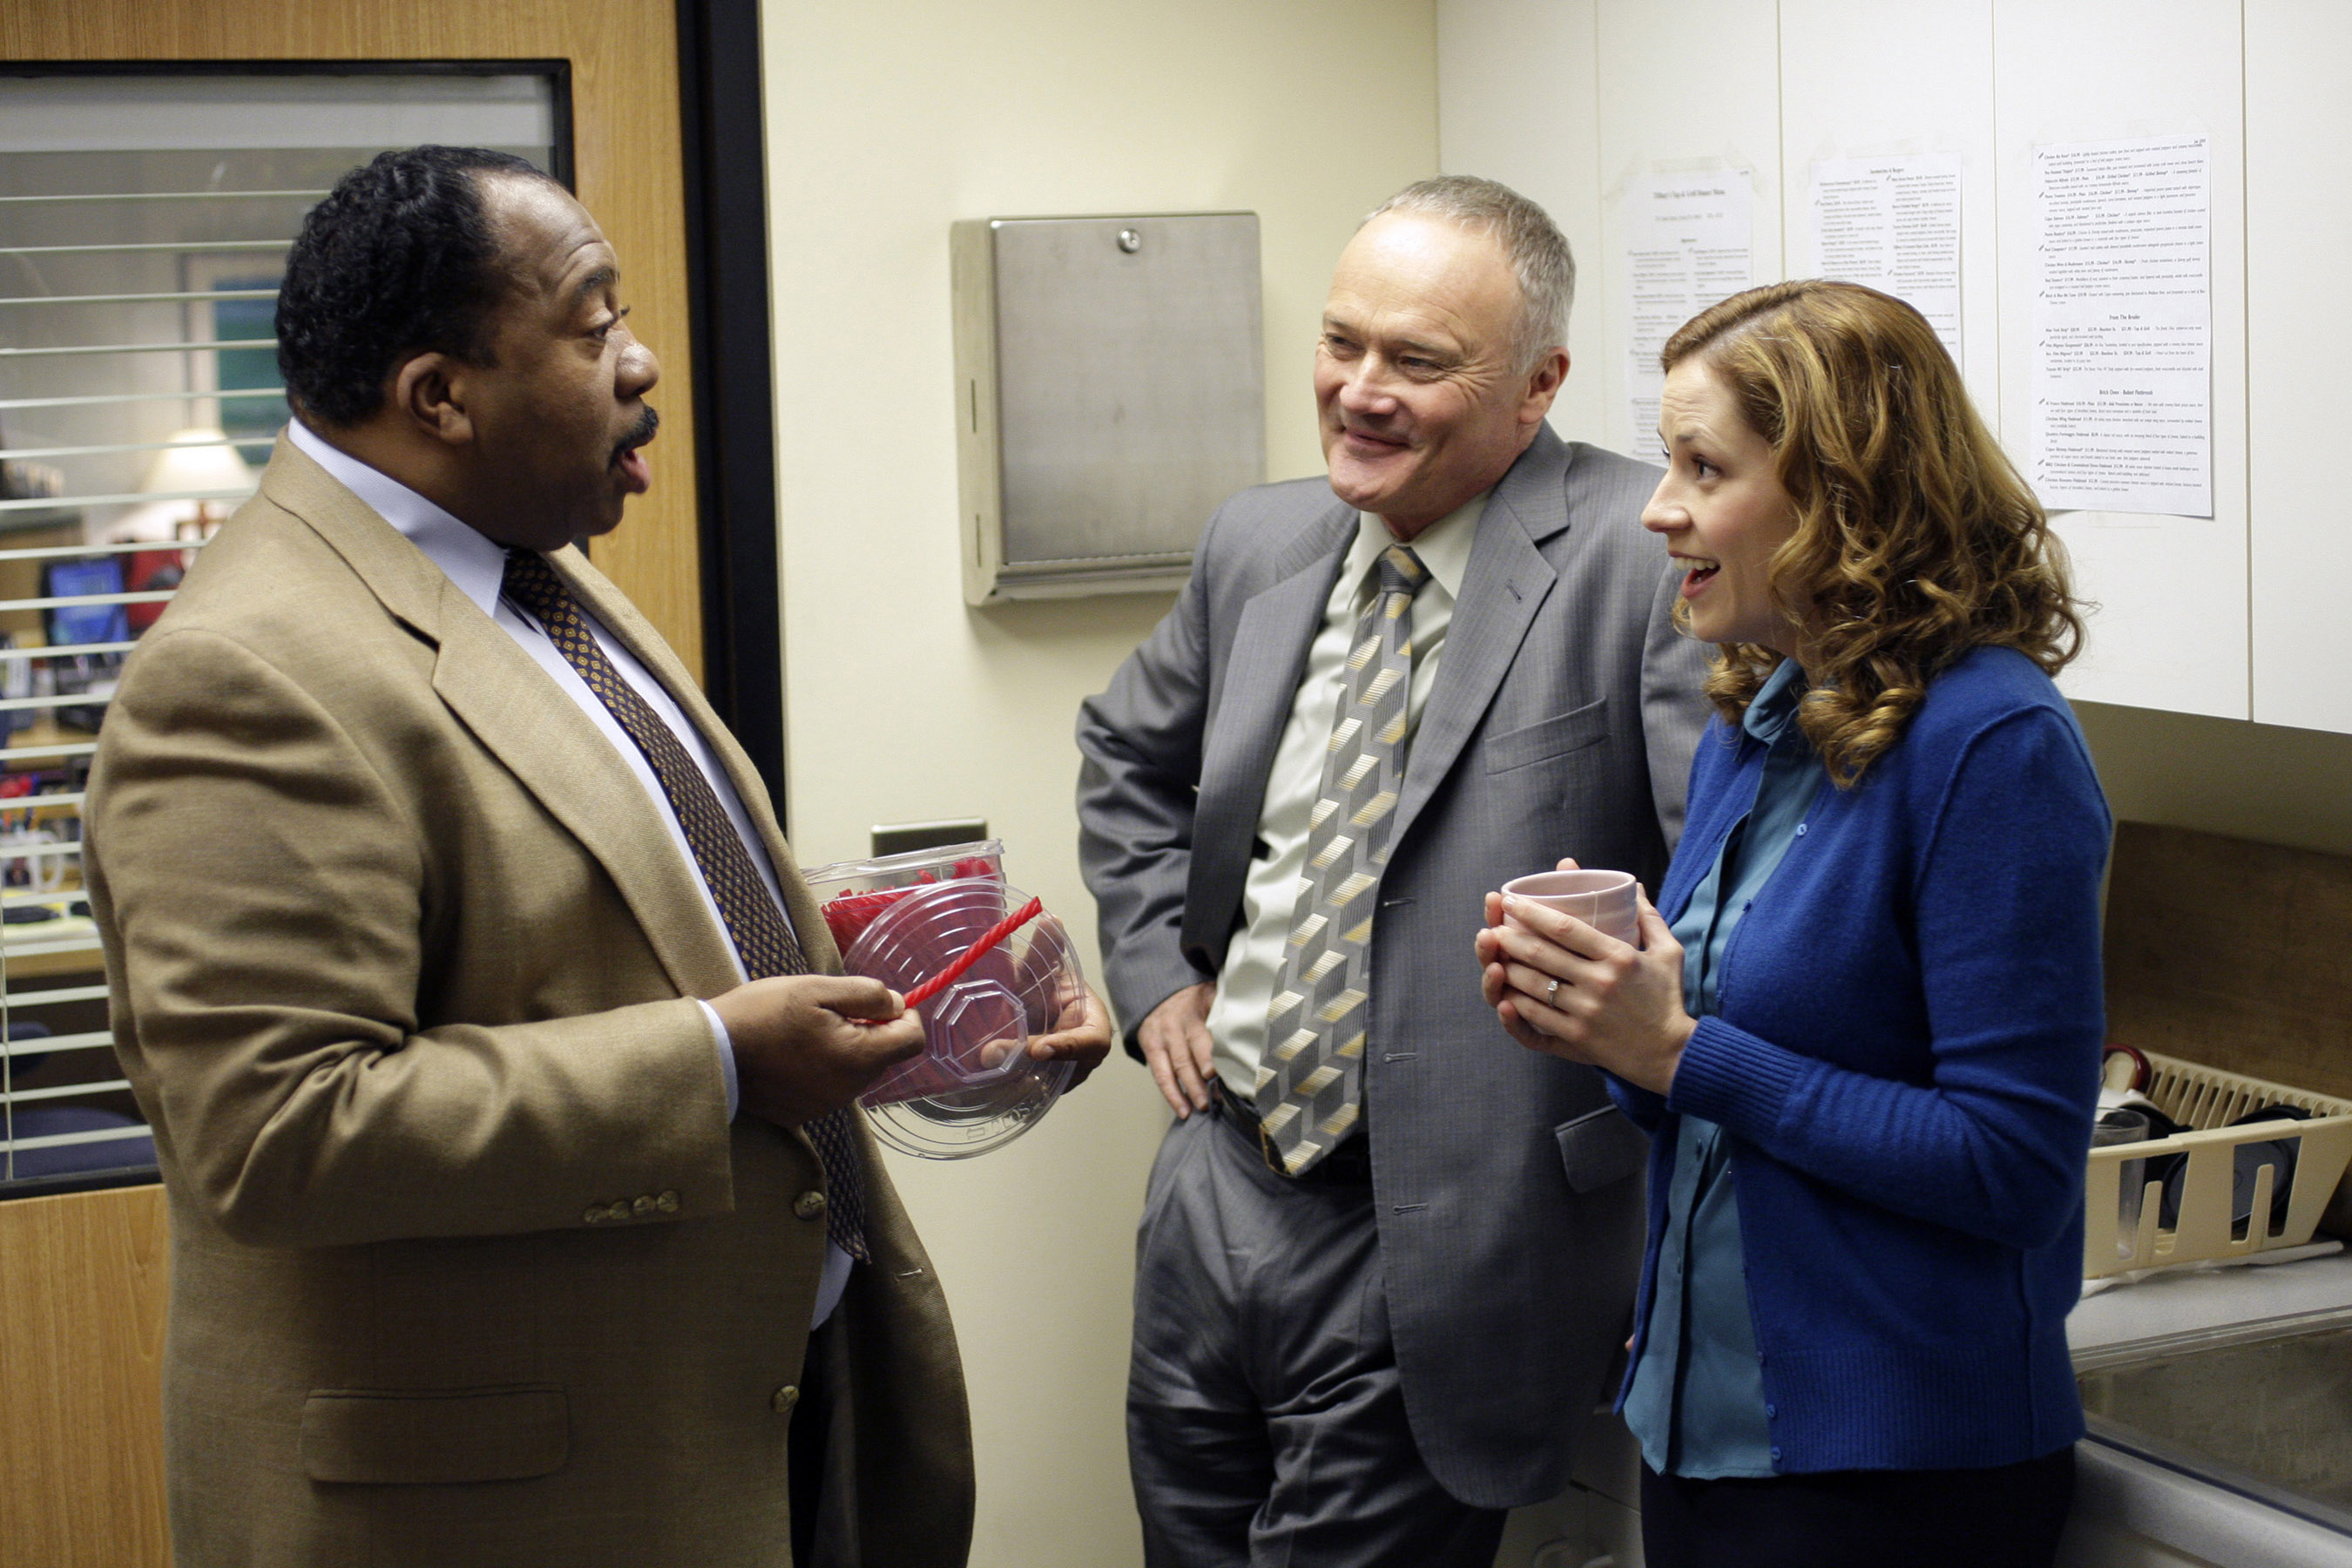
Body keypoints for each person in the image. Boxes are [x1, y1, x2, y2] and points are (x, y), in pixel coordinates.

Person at [86, 145, 1108, 1567]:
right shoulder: (247, 672)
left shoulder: (530, 567)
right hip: (510, 1502)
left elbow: (614, 909)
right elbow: (279, 1131)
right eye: (591, 324)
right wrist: (722, 1065)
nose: (642, 363)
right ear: (440, 396)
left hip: (752, 1420)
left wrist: (925, 987)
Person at [1077, 174, 1710, 1565]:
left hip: (1454, 1229)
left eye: (1417, 362)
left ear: (1537, 386)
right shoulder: (1260, 540)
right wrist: (1155, 976)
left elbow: (1718, 898)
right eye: (1340, 342)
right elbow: (1125, 752)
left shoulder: (1644, 558)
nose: (1359, 393)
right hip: (1218, 1185)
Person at [1477, 279, 2107, 1568]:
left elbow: (2014, 1170)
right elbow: (1711, 1099)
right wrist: (1608, 1023)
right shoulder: (1758, 718)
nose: (1658, 508)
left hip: (1895, 1477)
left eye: (1704, 468)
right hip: (1699, 1427)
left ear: (1843, 497)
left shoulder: (1996, 745)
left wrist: (1677, 1052)